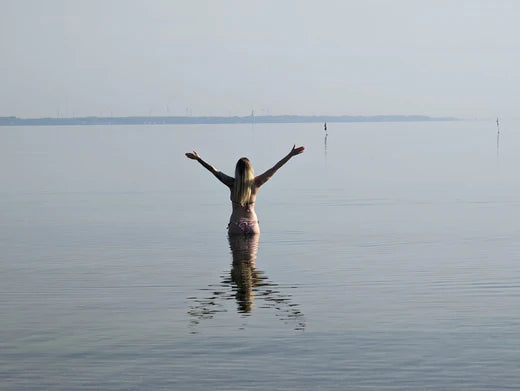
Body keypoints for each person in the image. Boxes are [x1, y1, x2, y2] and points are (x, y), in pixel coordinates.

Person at [185, 144, 305, 235]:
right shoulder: (257, 183)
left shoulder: (231, 183)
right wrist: (290, 155)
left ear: (237, 170)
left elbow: (213, 170)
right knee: (252, 266)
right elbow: (275, 168)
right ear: (250, 170)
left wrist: (198, 159)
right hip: (253, 225)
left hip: (236, 225)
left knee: (236, 265)